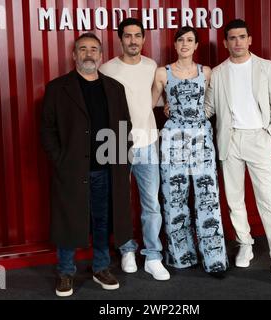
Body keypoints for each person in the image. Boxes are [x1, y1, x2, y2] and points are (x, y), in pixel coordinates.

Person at [204, 19, 271, 284]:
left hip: (259, 138)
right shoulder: (218, 72)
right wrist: (176, 107)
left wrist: (268, 137)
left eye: (242, 37)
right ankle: (245, 243)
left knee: (267, 200)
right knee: (234, 199)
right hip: (229, 140)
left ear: (250, 40)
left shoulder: (267, 68)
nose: (237, 42)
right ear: (225, 43)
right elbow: (208, 108)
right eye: (232, 38)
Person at [41, 33, 134, 297]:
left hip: (106, 170)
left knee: (103, 221)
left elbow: (123, 127)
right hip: (72, 169)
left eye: (94, 49)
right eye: (83, 49)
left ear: (101, 55)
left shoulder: (115, 88)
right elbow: (47, 129)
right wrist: (60, 159)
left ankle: (101, 267)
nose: (88, 53)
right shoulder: (58, 88)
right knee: (70, 219)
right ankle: (65, 271)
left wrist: (120, 162)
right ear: (74, 55)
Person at [152, 26, 229, 278]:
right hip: (174, 137)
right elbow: (150, 104)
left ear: (196, 46)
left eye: (190, 40)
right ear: (174, 45)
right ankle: (181, 256)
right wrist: (167, 107)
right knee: (175, 196)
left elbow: (211, 103)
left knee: (207, 197)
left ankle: (214, 259)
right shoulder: (162, 73)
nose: (184, 44)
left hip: (201, 136)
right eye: (180, 40)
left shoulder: (206, 72)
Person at [100, 18, 170, 281]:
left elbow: (156, 99)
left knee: (151, 202)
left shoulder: (152, 66)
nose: (133, 40)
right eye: (127, 36)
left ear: (143, 38)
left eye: (137, 36)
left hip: (148, 140)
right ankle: (127, 249)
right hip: (115, 141)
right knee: (119, 200)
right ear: (120, 39)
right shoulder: (107, 69)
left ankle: (153, 256)